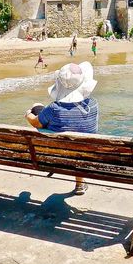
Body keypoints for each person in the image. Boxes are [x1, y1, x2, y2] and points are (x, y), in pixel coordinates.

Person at [24, 62, 99, 195]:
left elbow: (36, 123)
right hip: (85, 154)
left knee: (37, 107)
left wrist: (28, 114)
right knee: (78, 142)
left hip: (57, 155)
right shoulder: (93, 105)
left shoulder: (54, 108)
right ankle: (79, 184)